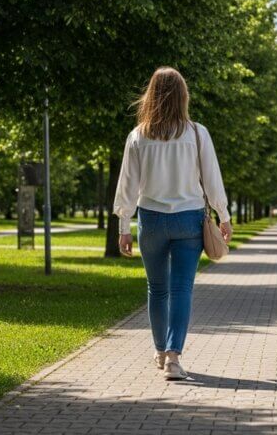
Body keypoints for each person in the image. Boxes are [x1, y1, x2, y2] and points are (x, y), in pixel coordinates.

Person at [113, 66, 233, 380]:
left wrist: (124, 227)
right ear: (183, 96)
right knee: (181, 290)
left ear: (150, 95)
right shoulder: (197, 133)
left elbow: (127, 185)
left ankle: (159, 350)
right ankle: (173, 358)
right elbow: (212, 180)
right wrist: (224, 216)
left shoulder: (139, 135)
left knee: (157, 289)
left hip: (150, 220)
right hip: (188, 220)